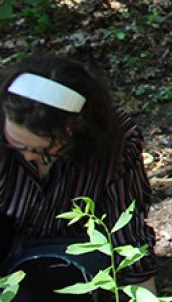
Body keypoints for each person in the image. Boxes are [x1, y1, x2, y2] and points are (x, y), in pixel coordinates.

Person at [0, 56, 158, 299]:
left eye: (41, 151)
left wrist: (144, 292)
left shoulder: (116, 143)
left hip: (69, 250)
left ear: (74, 129)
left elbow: (127, 228)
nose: (28, 158)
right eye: (17, 146)